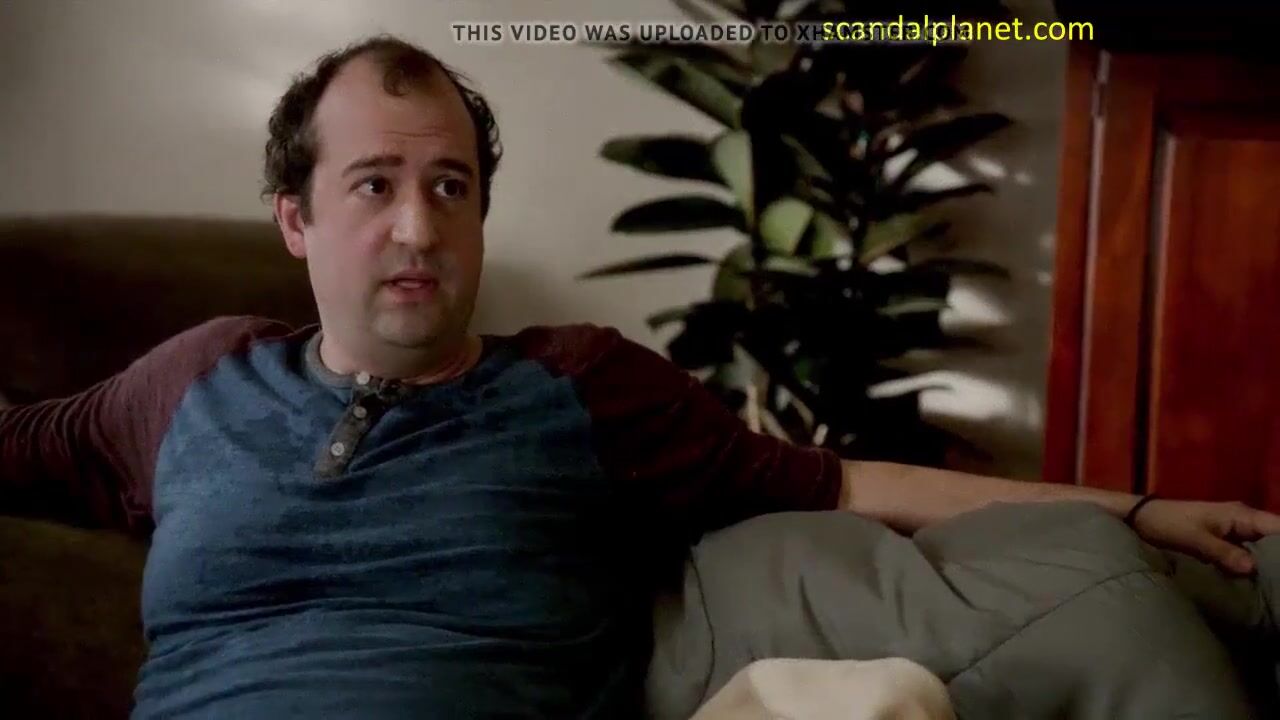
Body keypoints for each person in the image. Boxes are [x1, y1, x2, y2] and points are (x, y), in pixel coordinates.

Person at [2, 34, 1278, 720]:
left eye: (450, 187)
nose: (417, 227)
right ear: (294, 218)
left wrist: (1131, 508)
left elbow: (839, 483)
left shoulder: (575, 388)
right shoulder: (194, 382)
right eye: (374, 186)